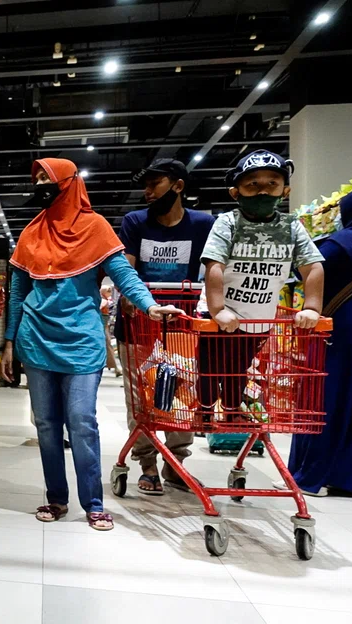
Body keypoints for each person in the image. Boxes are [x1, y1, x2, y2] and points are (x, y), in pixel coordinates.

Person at [1, 158, 182, 532]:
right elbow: (17, 293)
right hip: (35, 339)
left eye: (47, 179)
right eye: (37, 179)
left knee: (82, 420)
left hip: (82, 341)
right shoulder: (32, 232)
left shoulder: (95, 227)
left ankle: (93, 503)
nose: (40, 186)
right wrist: (9, 342)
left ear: (69, 183)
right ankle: (56, 498)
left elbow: (123, 274)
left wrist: (149, 305)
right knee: (47, 425)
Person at [197, 150, 324, 426]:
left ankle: (231, 412)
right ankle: (204, 413)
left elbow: (312, 266)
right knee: (210, 368)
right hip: (218, 315)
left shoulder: (292, 227)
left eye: (272, 184)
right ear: (236, 192)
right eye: (252, 184)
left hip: (259, 318)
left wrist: (312, 308)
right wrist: (218, 309)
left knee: (239, 369)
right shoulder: (228, 222)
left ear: (285, 191)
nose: (262, 191)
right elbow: (214, 265)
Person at [114, 159, 214, 495]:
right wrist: (130, 298)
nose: (147, 191)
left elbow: (215, 268)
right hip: (139, 325)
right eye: (146, 185)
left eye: (154, 184)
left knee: (181, 397)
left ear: (178, 186)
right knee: (141, 399)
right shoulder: (135, 222)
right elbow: (127, 268)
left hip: (182, 327)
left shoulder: (203, 224)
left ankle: (176, 464)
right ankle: (147, 464)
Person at [286, 188, 352, 496]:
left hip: (341, 328)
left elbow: (308, 267)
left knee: (323, 399)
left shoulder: (344, 242)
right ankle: (350, 478)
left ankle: (310, 474)